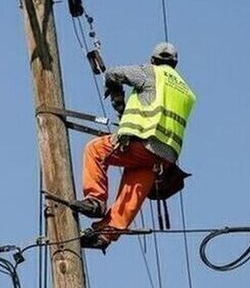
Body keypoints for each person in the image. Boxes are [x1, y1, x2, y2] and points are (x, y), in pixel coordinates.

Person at [70, 42, 197, 250]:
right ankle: (104, 235)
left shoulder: (151, 72)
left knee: (95, 150)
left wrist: (119, 101)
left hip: (145, 142)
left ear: (154, 60)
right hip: (164, 157)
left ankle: (95, 201)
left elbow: (114, 74)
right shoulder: (186, 91)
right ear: (175, 64)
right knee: (133, 191)